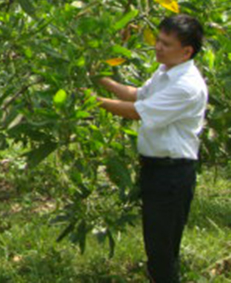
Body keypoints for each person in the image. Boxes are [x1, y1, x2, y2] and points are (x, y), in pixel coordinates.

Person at [92, 14, 208, 283]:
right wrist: (101, 80)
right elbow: (136, 95)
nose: (157, 46)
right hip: (157, 170)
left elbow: (137, 111)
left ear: (187, 51)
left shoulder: (187, 86)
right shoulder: (166, 71)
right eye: (158, 39)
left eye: (166, 44)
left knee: (163, 248)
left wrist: (91, 101)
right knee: (157, 241)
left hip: (173, 174)